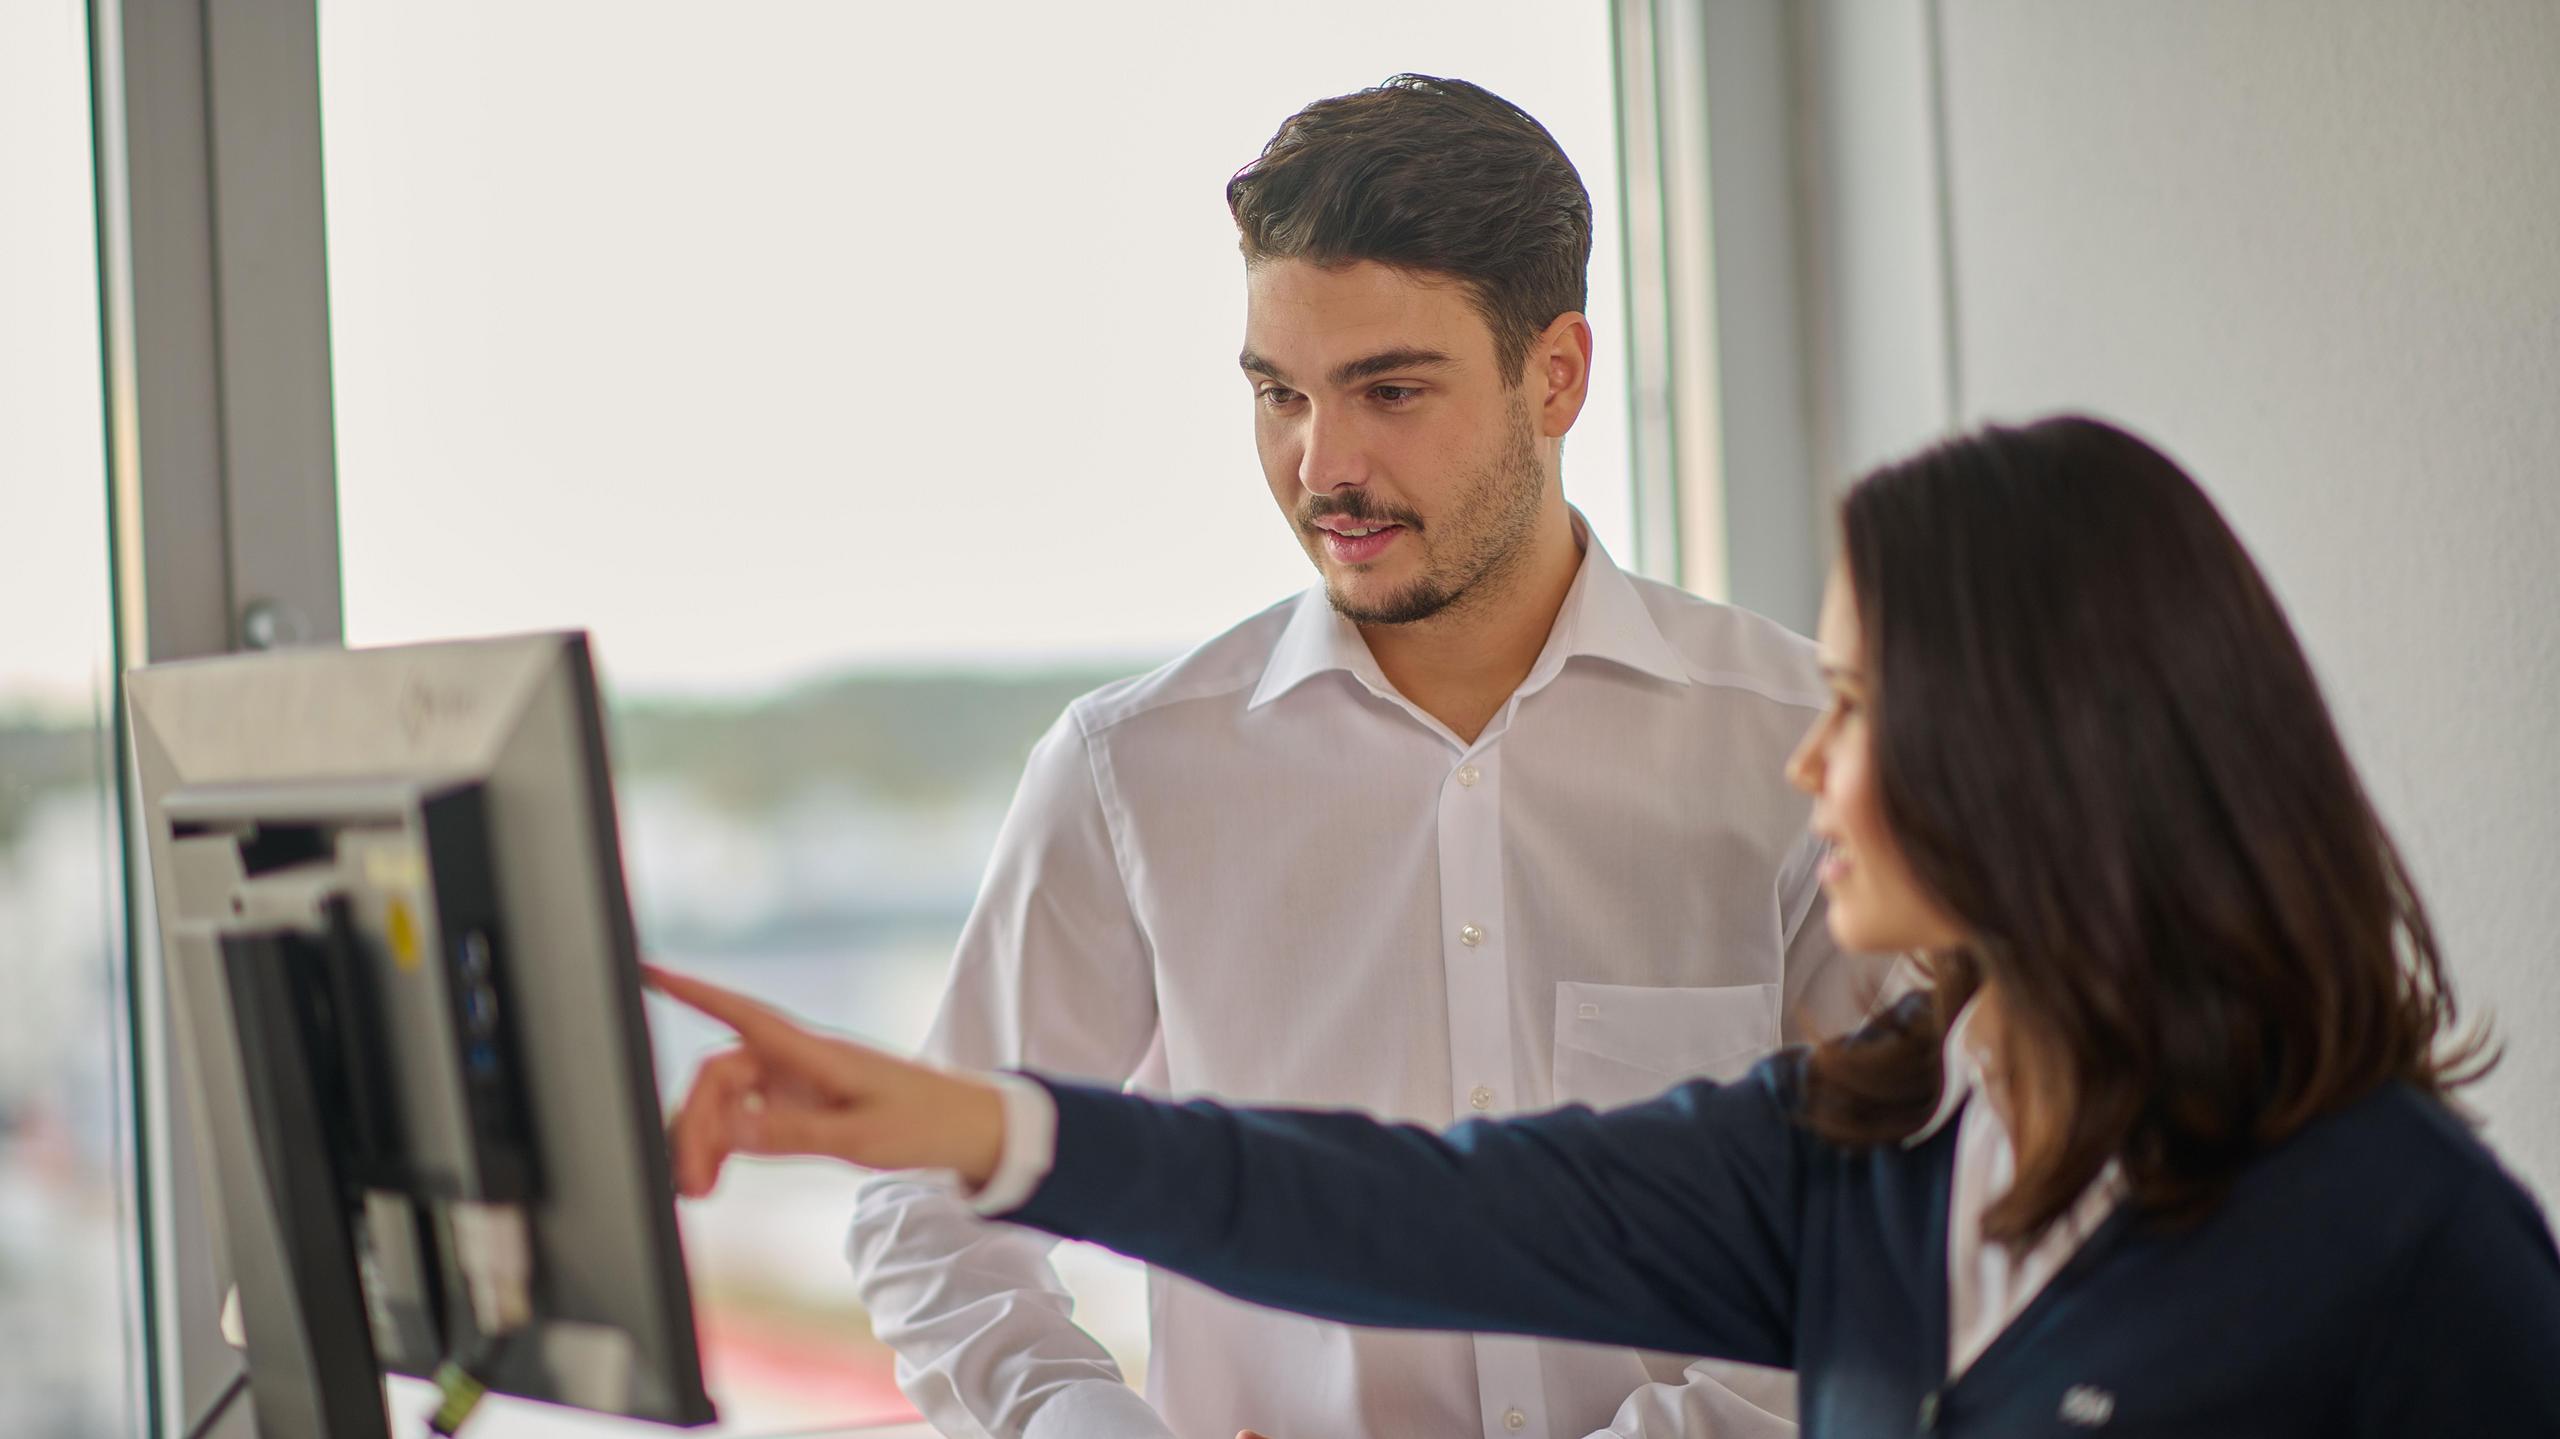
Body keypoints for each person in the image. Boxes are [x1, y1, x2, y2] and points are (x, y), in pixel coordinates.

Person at [656, 416, 2560, 1437]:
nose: (1808, 759)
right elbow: (1411, 1205)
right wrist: (976, 1128)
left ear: (2036, 751)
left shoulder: (2404, 1240)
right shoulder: (1868, 1159)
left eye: (1867, 704)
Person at [844, 74, 1886, 1439]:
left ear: (1557, 373)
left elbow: (1908, 1201)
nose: (1320, 464)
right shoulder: (1130, 773)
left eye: (1390, 390)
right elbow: (929, 1202)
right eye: (1279, 393)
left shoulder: (1804, 749)